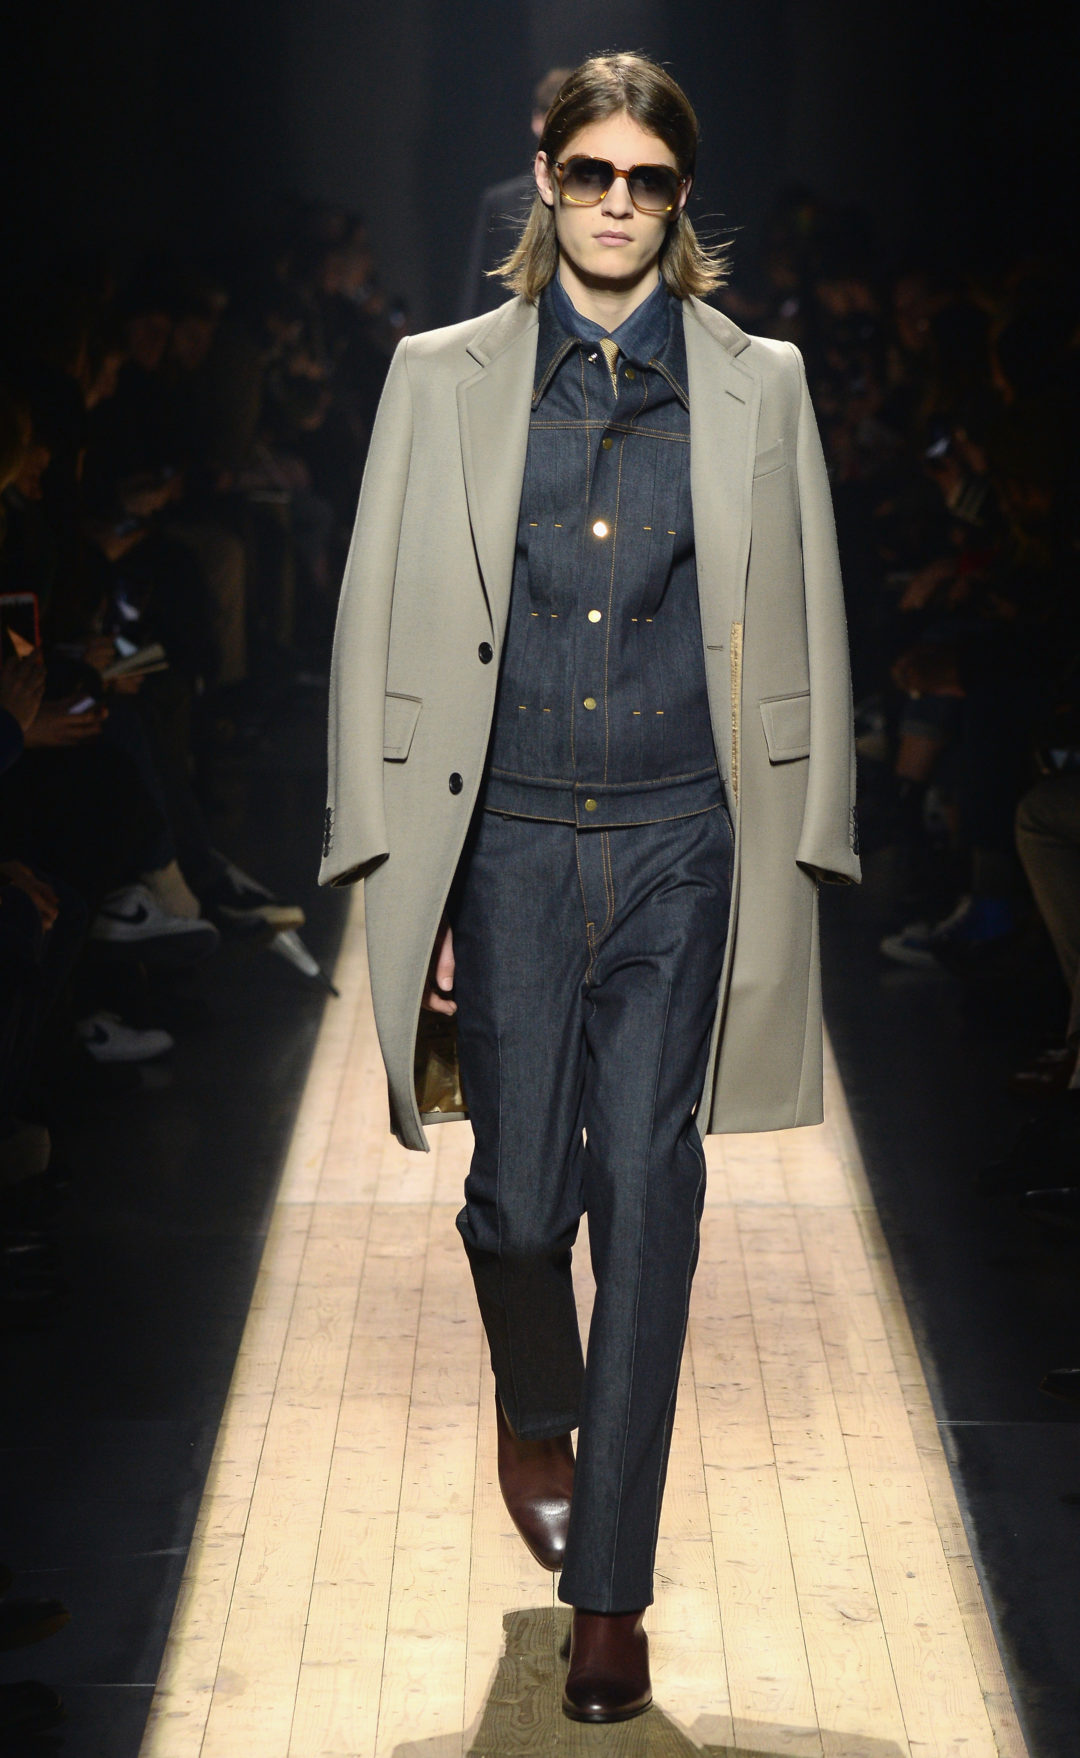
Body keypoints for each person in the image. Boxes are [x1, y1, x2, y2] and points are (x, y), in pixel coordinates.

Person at [320, 52, 859, 1724]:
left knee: (648, 1190)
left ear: (680, 195)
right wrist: (389, 870)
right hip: (508, 838)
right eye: (590, 172)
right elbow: (375, 613)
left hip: (685, 835)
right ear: (544, 178)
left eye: (648, 178)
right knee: (517, 1202)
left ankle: (610, 1587)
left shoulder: (759, 382)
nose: (617, 203)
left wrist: (809, 838)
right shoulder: (440, 376)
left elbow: (809, 617)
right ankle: (534, 1400)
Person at [457, 66, 572, 321]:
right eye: (554, 120)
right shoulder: (501, 203)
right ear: (537, 122)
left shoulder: (604, 199)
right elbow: (480, 293)